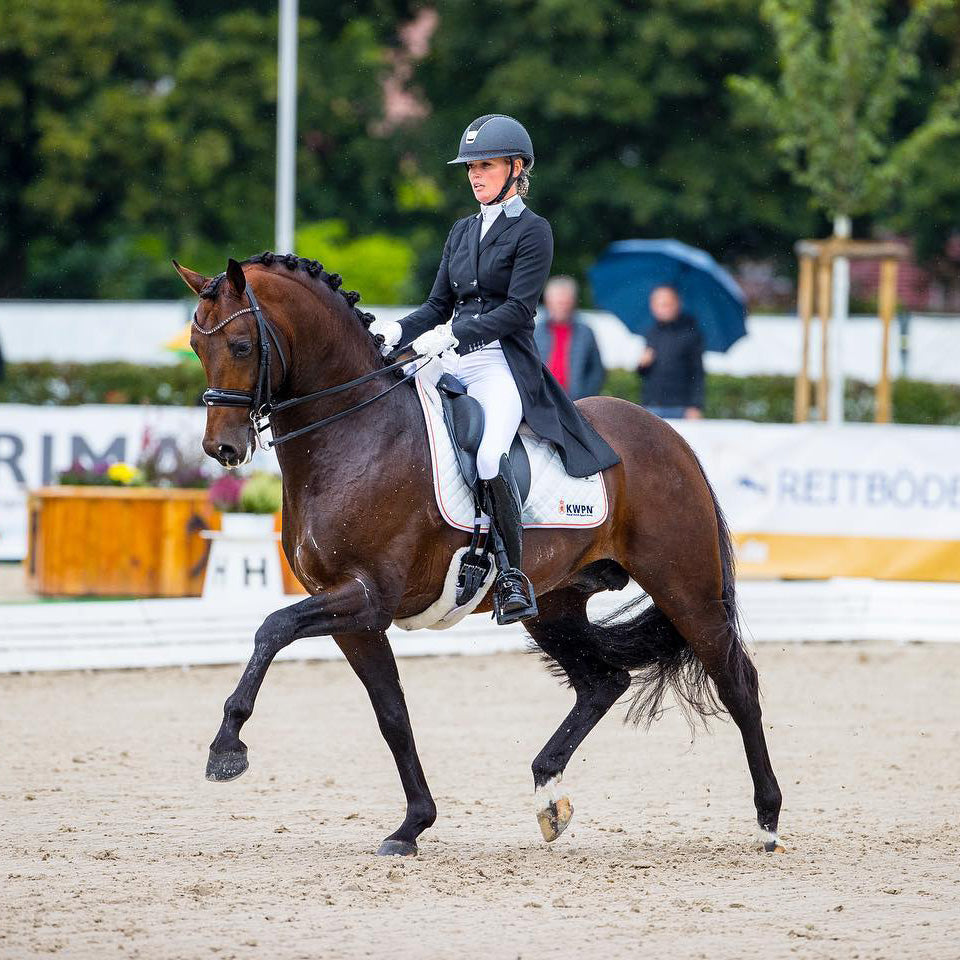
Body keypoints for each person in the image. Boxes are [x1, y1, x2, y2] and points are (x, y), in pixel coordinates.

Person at [370, 114, 619, 624]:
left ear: (515, 167)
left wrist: (453, 335)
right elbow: (436, 305)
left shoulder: (534, 232)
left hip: (501, 363)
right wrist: (396, 332)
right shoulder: (462, 231)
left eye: (484, 165)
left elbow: (518, 311)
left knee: (487, 456)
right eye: (470, 168)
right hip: (448, 358)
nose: (475, 175)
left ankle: (509, 572)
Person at [636, 285, 705, 420]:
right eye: (659, 304)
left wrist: (695, 406)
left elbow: (697, 372)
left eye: (667, 304)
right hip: (652, 403)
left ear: (677, 304)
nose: (663, 309)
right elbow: (642, 374)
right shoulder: (651, 332)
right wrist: (642, 364)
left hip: (680, 405)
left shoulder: (690, 332)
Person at [534, 276, 606, 401]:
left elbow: (596, 371)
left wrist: (586, 396)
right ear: (548, 302)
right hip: (542, 400)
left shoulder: (585, 332)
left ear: (573, 302)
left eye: (565, 302)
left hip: (575, 401)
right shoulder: (536, 332)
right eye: (558, 302)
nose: (562, 307)